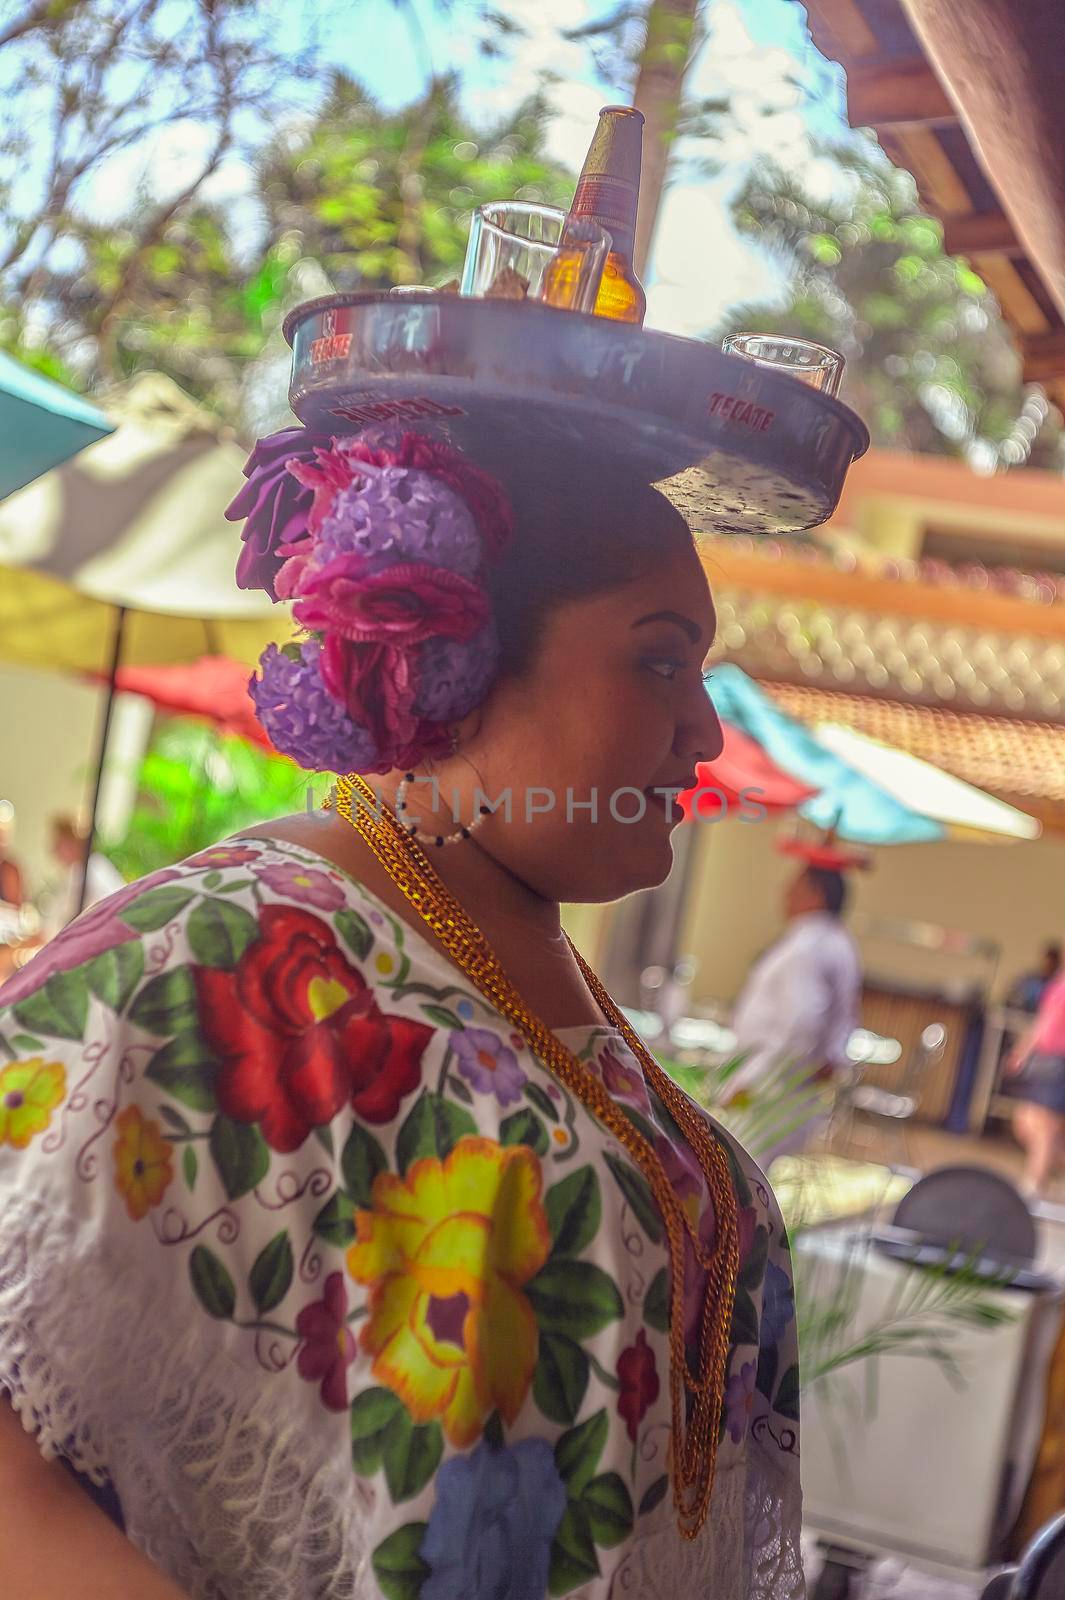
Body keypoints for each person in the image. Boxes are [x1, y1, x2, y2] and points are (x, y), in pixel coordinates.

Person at [0, 430, 804, 1600]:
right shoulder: (219, 942)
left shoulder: (533, 971)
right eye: (661, 663)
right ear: (458, 657)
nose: (706, 737)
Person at [728, 845, 864, 1166]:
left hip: (777, 1088)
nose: (784, 894)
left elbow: (801, 1025)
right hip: (795, 1085)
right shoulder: (837, 943)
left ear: (815, 895)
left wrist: (750, 1082)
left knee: (744, 1173)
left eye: (794, 886)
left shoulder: (807, 947)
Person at [1003, 963, 1065, 1199]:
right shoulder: (1059, 980)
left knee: (1043, 1125)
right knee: (1027, 1122)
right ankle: (1042, 1175)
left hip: (1059, 1062)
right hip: (1044, 1057)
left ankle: (1034, 1185)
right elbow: (1044, 1019)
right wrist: (1023, 1050)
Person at [38, 813, 125, 937]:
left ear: (73, 843)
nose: (53, 849)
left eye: (58, 842)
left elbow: (56, 928)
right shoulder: (96, 866)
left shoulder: (84, 875)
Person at [1007, 942, 1062, 1015]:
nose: (1048, 965)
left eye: (1052, 963)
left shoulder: (1058, 986)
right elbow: (1013, 994)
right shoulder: (1029, 978)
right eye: (1047, 961)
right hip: (1023, 1015)